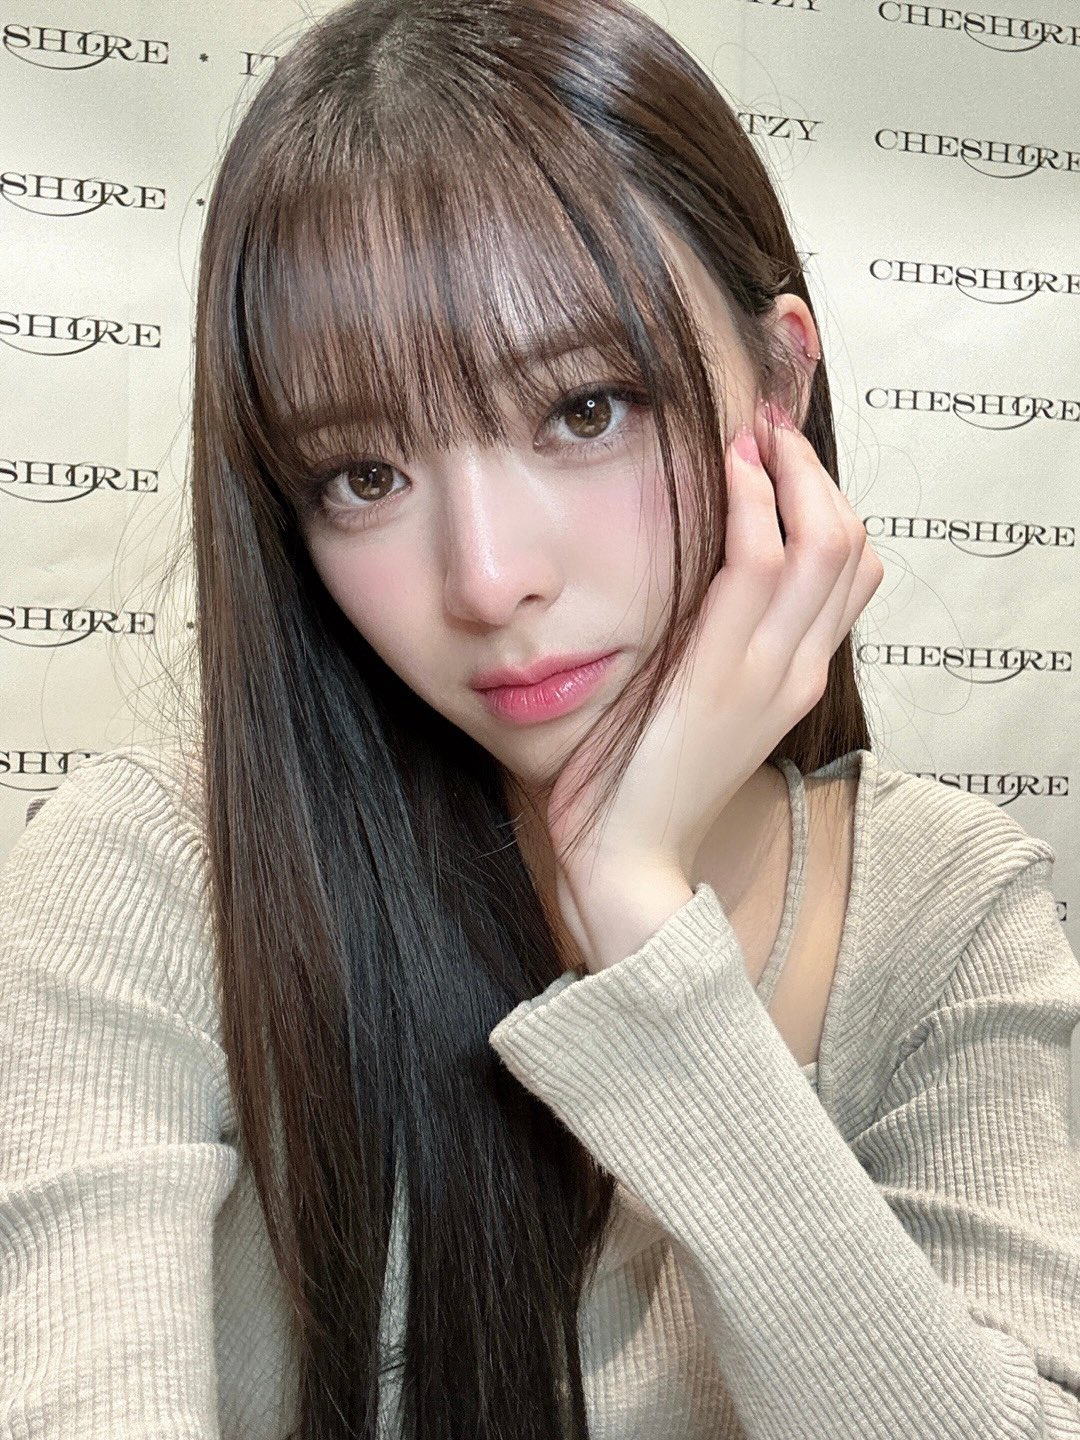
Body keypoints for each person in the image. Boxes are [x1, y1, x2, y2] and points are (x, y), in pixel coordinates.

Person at [2, 0, 1077, 1435]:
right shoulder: (153, 873)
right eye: (363, 475)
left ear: (779, 381)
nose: (488, 580)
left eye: (585, 409)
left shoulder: (946, 906)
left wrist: (639, 913)